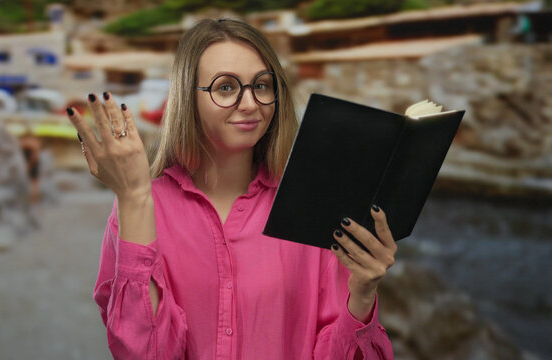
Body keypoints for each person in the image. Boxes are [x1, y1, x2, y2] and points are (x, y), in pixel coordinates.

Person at [66, 18, 396, 359]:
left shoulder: (314, 206)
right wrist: (134, 197)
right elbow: (143, 352)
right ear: (186, 98)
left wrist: (362, 294)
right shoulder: (140, 210)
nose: (251, 104)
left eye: (262, 86)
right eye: (225, 87)